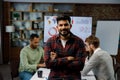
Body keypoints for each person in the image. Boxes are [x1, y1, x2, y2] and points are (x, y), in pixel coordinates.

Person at [44, 15, 86, 80]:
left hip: (73, 78)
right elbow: (48, 64)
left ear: (70, 26)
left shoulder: (79, 42)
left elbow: (80, 65)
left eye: (66, 25)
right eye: (60, 25)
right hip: (55, 78)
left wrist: (56, 60)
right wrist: (67, 59)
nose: (63, 27)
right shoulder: (50, 41)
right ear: (57, 27)